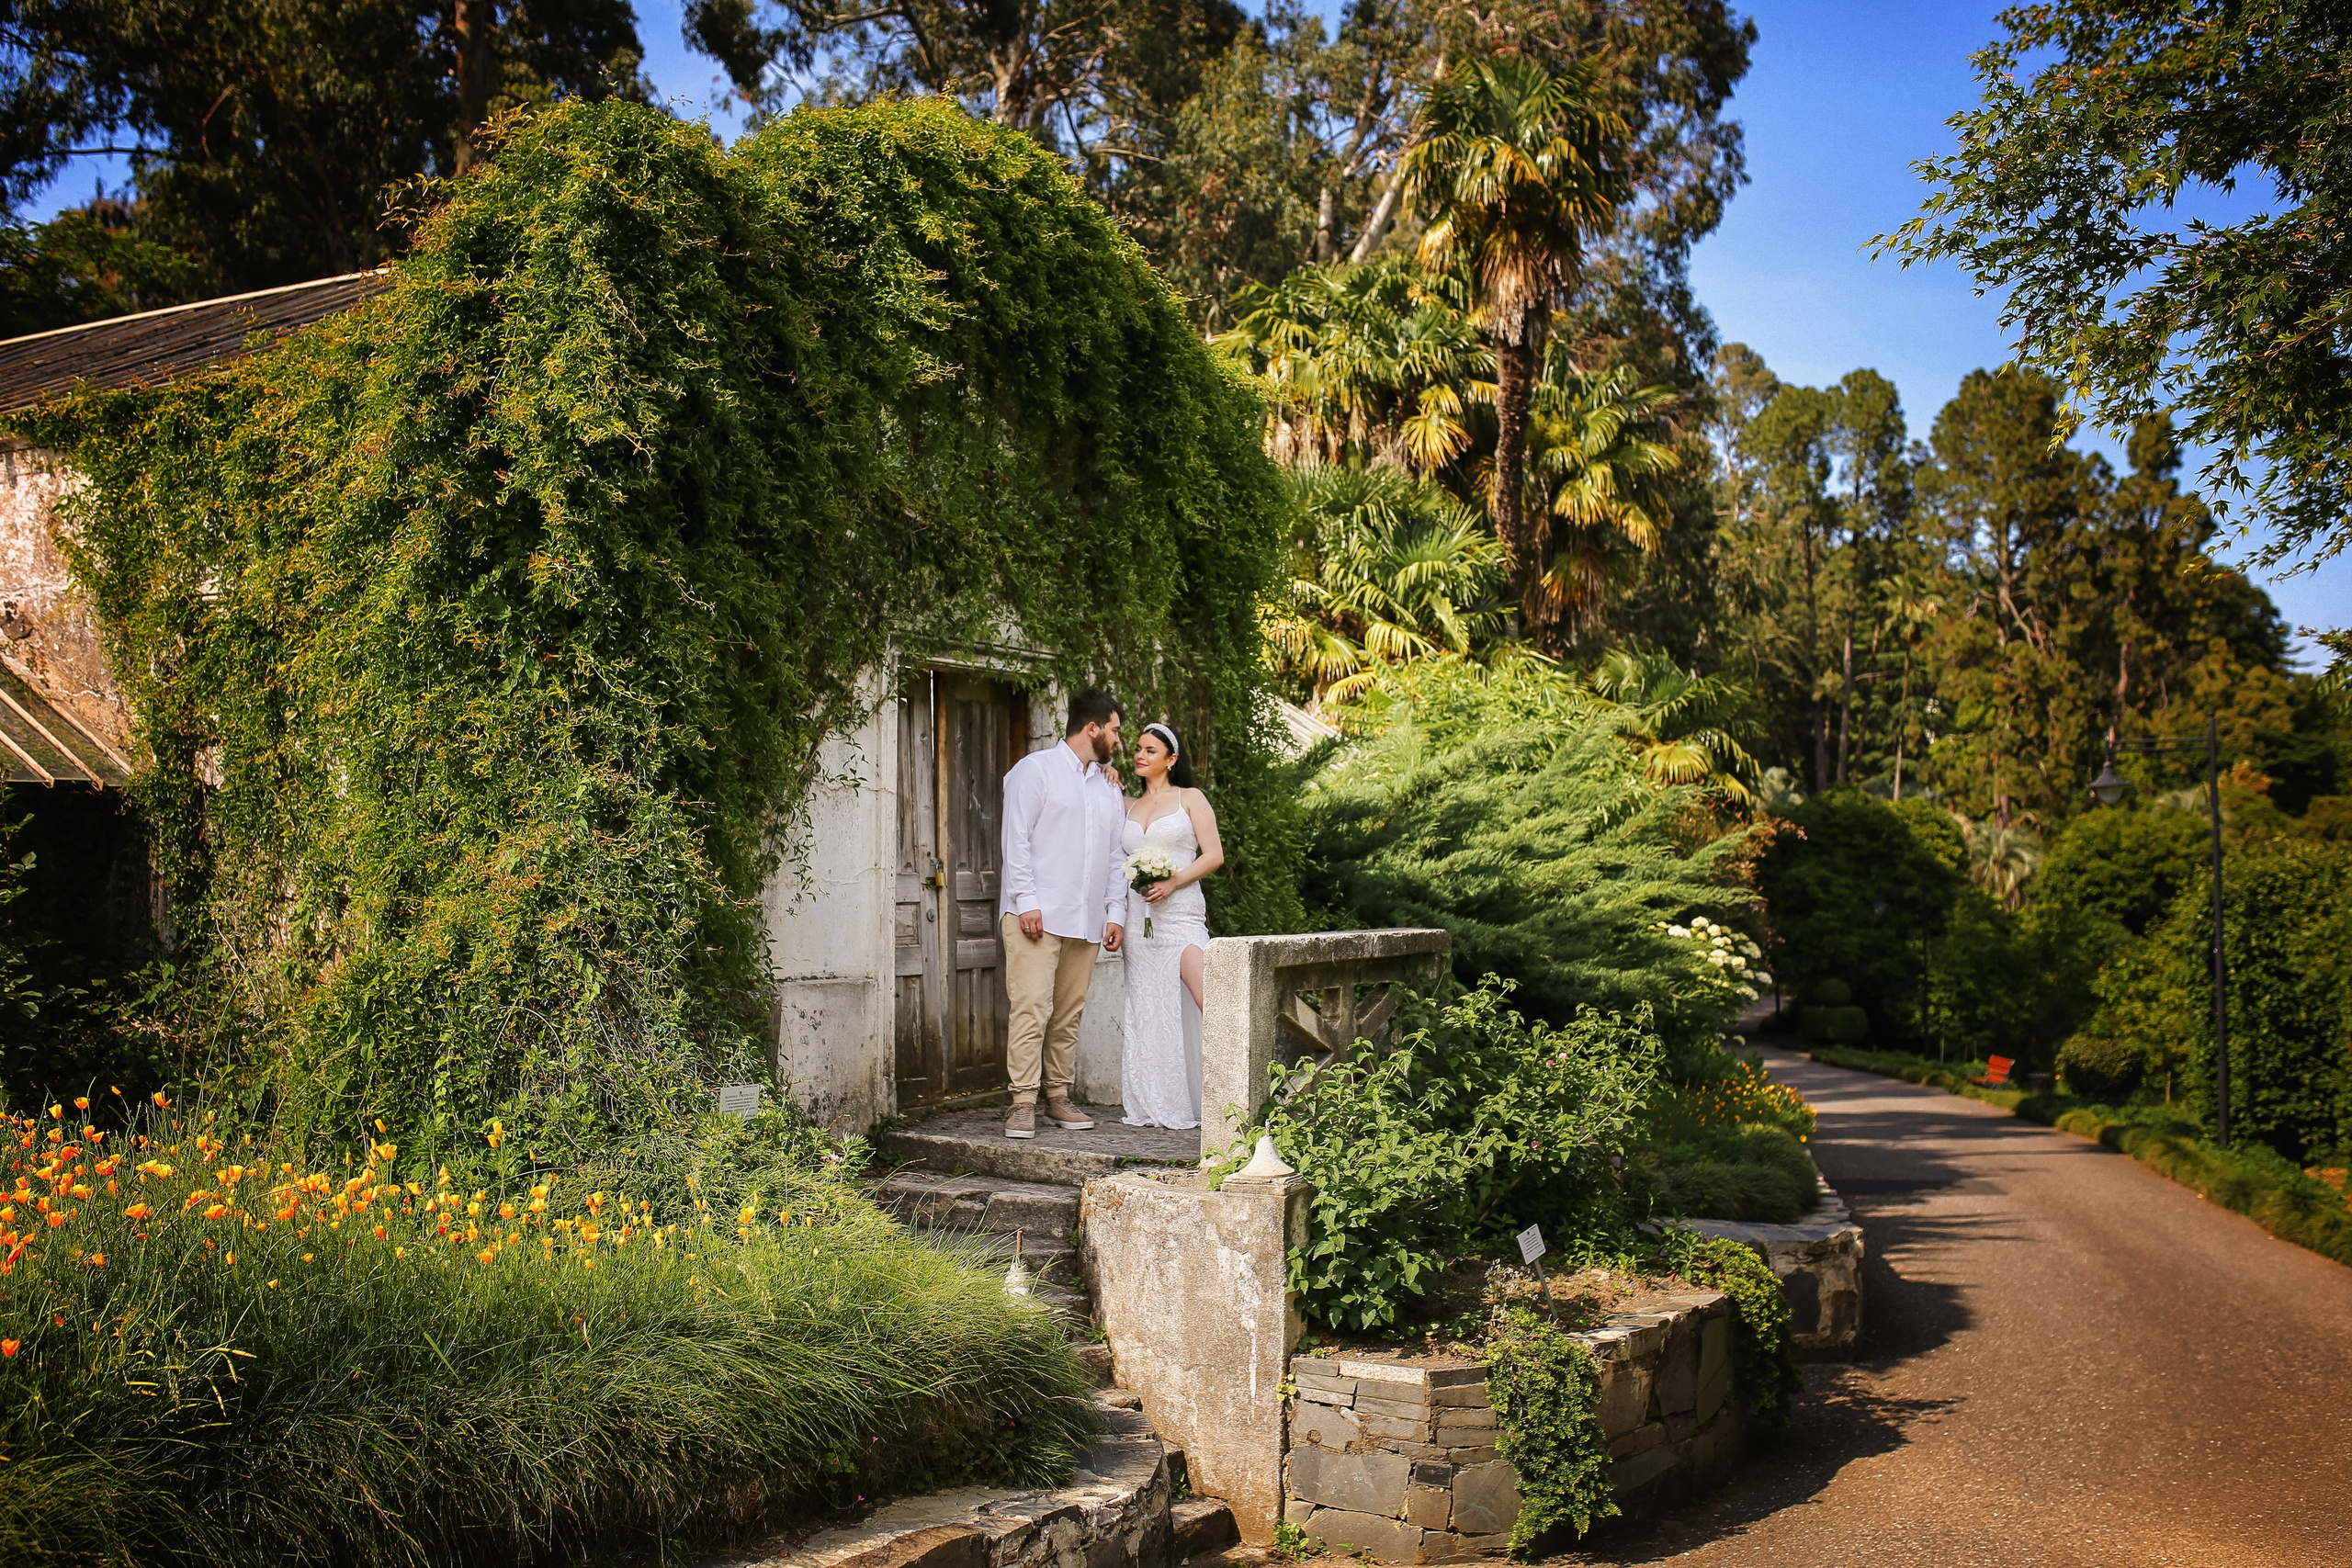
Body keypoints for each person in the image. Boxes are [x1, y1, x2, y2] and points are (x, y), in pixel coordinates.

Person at [998, 688, 1127, 1140]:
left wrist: (1115, 913)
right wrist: (1026, 900)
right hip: (1036, 914)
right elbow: (1016, 840)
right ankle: (1021, 1103)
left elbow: (1116, 857)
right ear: (1092, 728)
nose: (1118, 740)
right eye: (1114, 730)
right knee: (1031, 1007)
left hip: (1086, 919)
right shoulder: (1035, 772)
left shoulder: (1108, 787)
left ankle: (1057, 1096)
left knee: (1069, 1012)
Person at [1117, 720, 1224, 1129]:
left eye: (1150, 751)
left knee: (1208, 999)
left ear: (1171, 759)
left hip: (1180, 915)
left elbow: (1213, 855)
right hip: (1137, 917)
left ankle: (1228, 1093)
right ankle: (1157, 1099)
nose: (1140, 756)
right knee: (1147, 1006)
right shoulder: (1126, 804)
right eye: (1138, 750)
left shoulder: (1190, 798)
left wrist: (1174, 881)